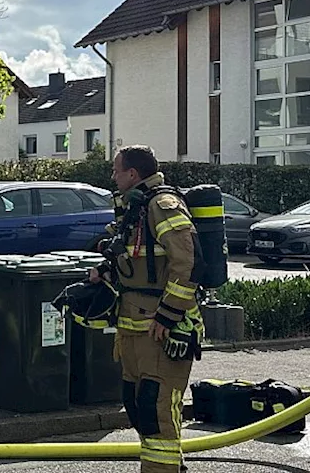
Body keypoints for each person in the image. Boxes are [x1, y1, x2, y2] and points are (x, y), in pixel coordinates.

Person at [90, 145, 201, 473]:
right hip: (134, 329)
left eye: (116, 170)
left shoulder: (162, 205)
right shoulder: (134, 209)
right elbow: (131, 260)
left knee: (157, 414)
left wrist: (168, 315)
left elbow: (189, 262)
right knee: (139, 410)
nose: (113, 176)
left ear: (133, 174)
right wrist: (102, 271)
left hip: (162, 329)